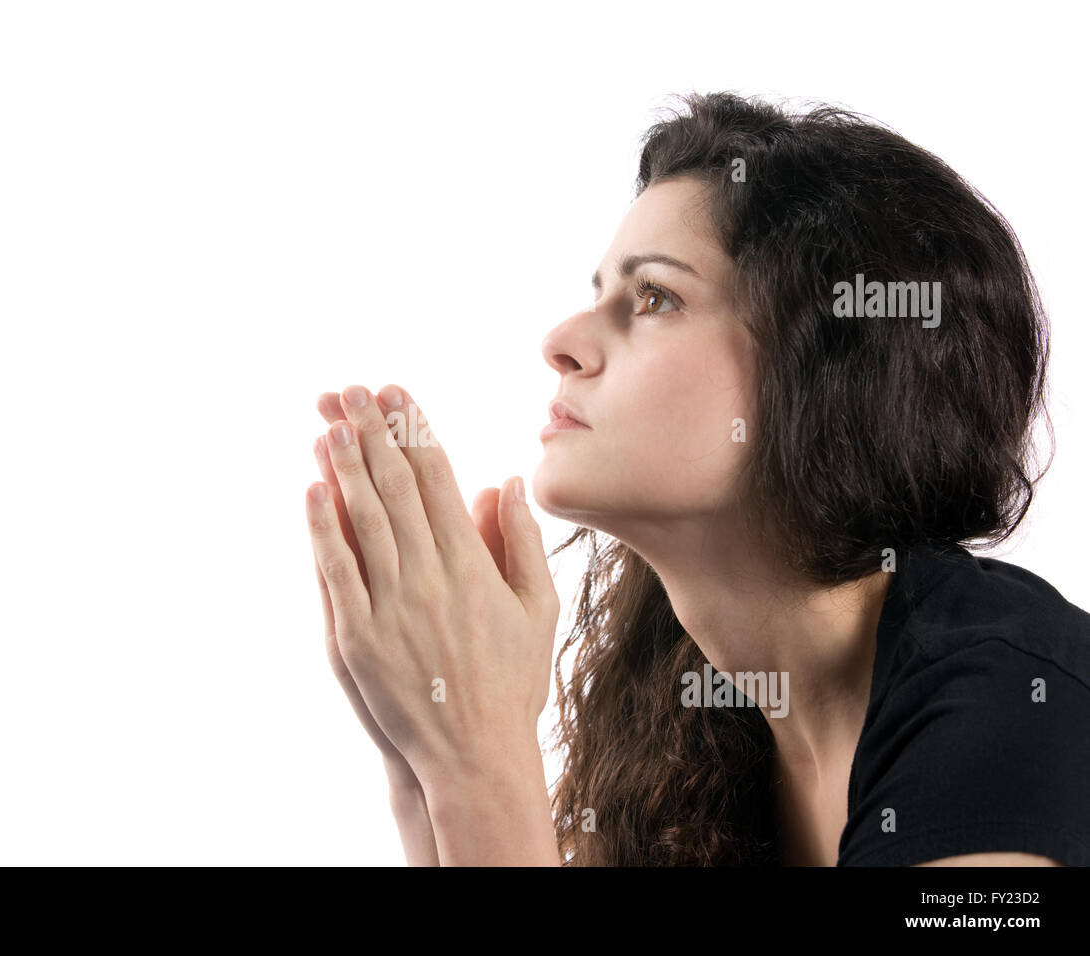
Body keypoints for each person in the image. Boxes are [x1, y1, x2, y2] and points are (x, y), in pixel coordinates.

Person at [304, 92, 1090, 866]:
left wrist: (476, 755)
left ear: (831, 375)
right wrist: (419, 752)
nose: (562, 341)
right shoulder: (687, 710)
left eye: (654, 297)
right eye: (600, 292)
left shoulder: (1011, 701)